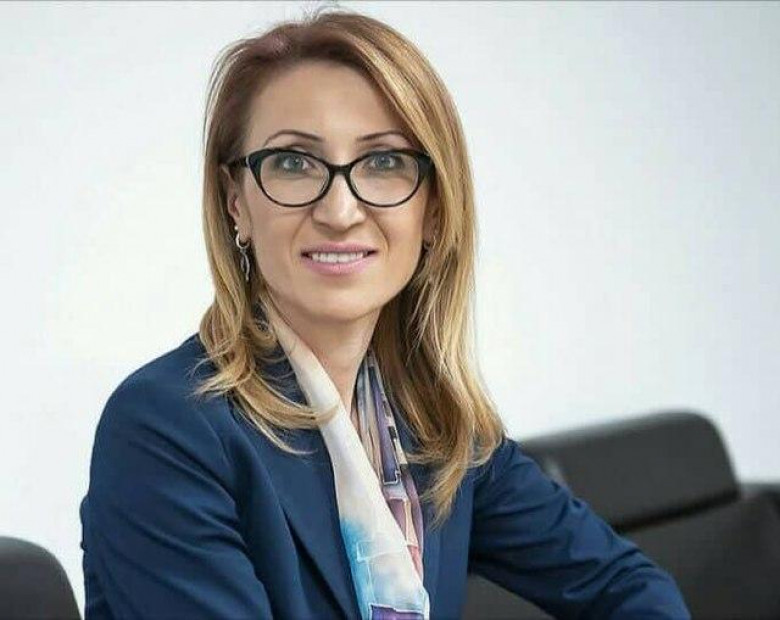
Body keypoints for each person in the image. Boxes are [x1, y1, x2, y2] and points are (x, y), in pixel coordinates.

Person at [79, 6, 691, 619]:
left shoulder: (433, 425)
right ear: (236, 201)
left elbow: (629, 587)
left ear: (433, 210)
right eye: (293, 163)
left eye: (384, 162)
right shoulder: (166, 430)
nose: (340, 211)